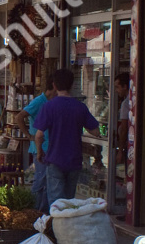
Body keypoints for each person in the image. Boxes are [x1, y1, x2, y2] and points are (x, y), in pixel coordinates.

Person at [33, 68, 99, 208]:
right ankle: (67, 227)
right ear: (71, 85)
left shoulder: (49, 106)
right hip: (74, 160)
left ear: (54, 85)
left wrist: (39, 152)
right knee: (69, 202)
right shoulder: (80, 107)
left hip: (55, 159)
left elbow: (39, 135)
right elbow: (95, 131)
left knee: (57, 204)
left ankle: (56, 228)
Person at [18, 79, 56, 212]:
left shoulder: (51, 103)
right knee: (40, 181)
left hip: (49, 147)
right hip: (40, 147)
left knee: (47, 183)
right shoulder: (39, 102)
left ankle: (43, 212)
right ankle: (33, 212)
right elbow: (20, 117)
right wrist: (29, 135)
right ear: (54, 88)